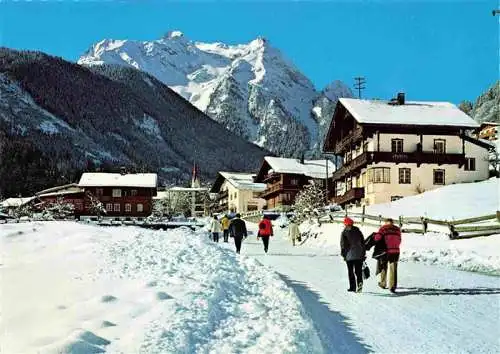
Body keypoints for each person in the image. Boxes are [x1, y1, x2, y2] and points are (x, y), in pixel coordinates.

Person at [373, 218, 401, 293]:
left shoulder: (383, 228)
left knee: (383, 266)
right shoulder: (397, 229)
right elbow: (400, 240)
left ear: (386, 222)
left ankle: (383, 283)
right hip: (395, 251)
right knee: (393, 268)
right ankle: (392, 286)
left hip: (385, 251)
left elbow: (377, 238)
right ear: (392, 222)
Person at [340, 217, 366, 293]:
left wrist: (343, 254)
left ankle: (352, 287)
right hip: (359, 254)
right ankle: (360, 283)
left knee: (350, 271)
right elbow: (363, 243)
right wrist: (363, 254)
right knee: (358, 271)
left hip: (349, 255)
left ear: (346, 224)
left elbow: (343, 245)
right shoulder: (358, 231)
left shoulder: (344, 232)